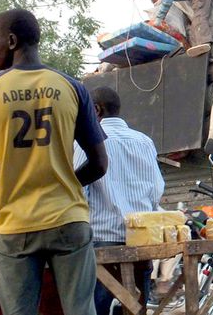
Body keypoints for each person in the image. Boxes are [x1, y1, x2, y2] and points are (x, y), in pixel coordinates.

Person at [0, 9, 108, 315]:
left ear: (12, 40)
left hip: (16, 222)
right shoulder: (72, 87)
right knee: (81, 310)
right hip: (67, 219)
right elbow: (99, 164)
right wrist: (64, 181)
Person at [74, 87, 165, 315]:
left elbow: (77, 194)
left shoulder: (85, 142)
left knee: (101, 309)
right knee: (136, 309)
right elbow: (156, 191)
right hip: (141, 242)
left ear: (95, 109)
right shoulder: (144, 141)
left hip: (103, 244)